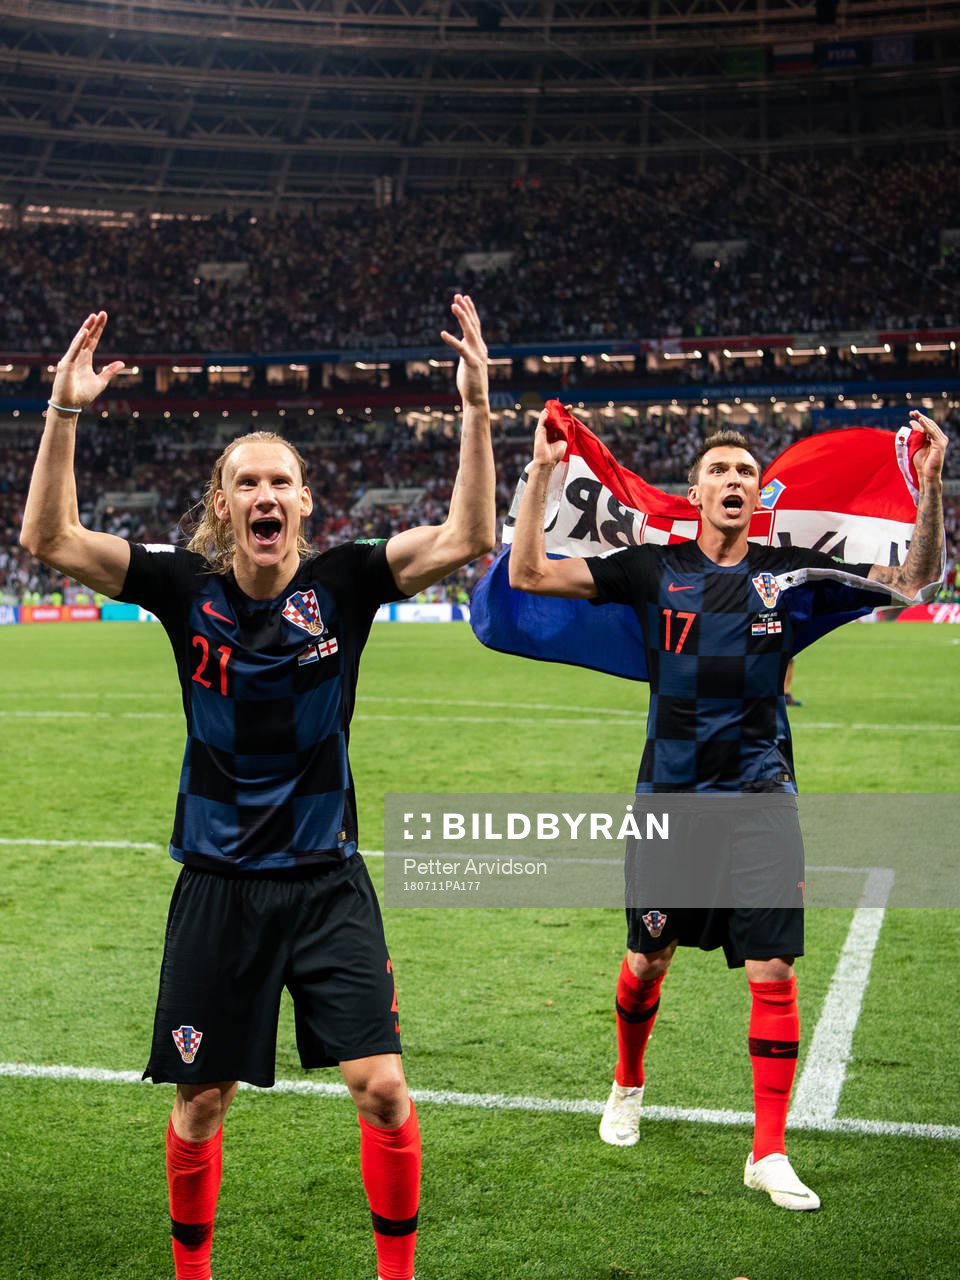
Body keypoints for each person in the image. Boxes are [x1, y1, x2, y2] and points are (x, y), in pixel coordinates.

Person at [20, 296, 494, 1280]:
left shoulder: (349, 583)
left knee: (384, 1091)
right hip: (219, 886)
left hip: (328, 883)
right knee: (201, 1101)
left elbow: (465, 536)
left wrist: (477, 408)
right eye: (247, 480)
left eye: (282, 478)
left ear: (306, 502)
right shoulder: (181, 587)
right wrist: (64, 412)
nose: (266, 492)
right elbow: (51, 541)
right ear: (225, 503)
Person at [508, 414, 947, 1211]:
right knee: (648, 961)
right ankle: (628, 1083)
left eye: (746, 471)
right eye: (720, 470)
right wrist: (540, 472)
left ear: (759, 493)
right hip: (671, 800)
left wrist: (931, 487)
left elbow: (916, 583)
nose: (735, 480)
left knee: (774, 969)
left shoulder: (792, 573)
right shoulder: (651, 569)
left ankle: (768, 1151)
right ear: (698, 491)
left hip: (760, 797)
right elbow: (531, 574)